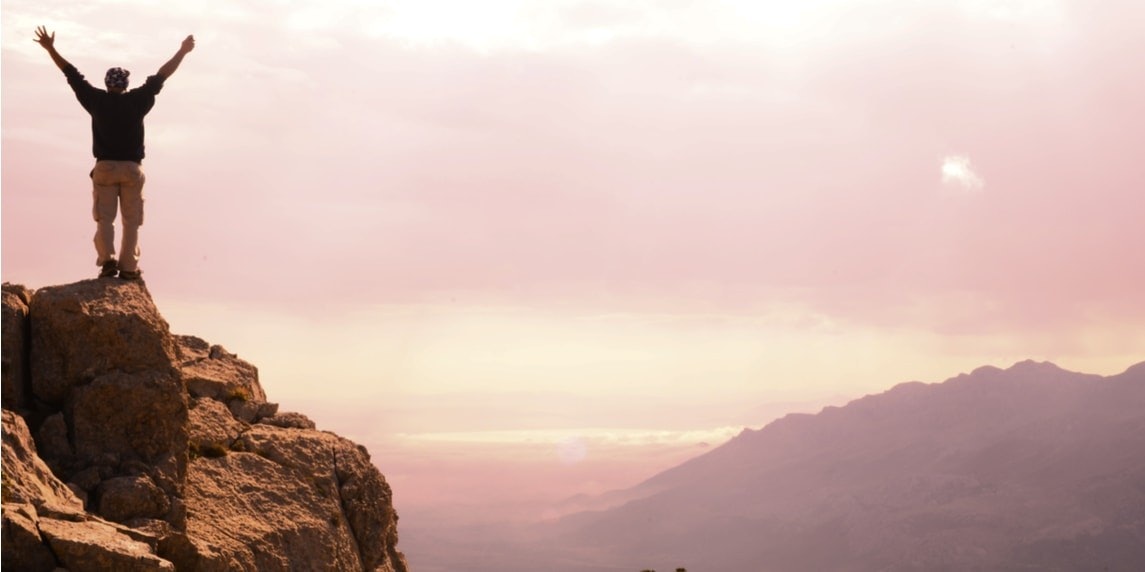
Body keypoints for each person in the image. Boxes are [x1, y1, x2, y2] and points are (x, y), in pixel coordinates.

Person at [34, 26, 194, 280]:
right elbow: (163, 75)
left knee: (105, 219)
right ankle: (128, 267)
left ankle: (108, 262)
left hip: (105, 167)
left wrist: (50, 48)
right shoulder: (138, 100)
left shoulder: (96, 100)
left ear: (107, 84)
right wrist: (182, 51)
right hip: (132, 168)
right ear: (125, 85)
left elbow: (71, 74)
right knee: (131, 221)